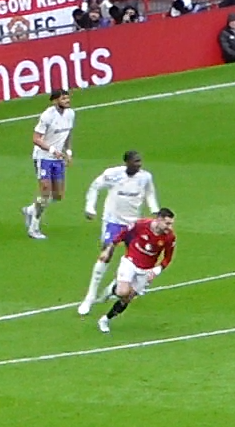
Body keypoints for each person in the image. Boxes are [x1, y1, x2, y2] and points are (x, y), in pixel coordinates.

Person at [79, 150, 160, 315]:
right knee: (105, 255)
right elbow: (95, 186)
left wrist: (155, 210)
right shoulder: (113, 174)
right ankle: (90, 296)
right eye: (135, 161)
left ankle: (114, 287)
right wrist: (90, 207)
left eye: (140, 161)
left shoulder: (145, 177)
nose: (139, 164)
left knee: (138, 259)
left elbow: (150, 193)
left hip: (134, 225)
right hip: (113, 222)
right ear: (127, 162)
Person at [98, 208, 176, 333]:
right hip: (130, 262)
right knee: (122, 292)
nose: (170, 227)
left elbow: (168, 258)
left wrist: (157, 270)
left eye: (171, 223)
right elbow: (123, 234)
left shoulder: (169, 237)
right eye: (167, 223)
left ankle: (105, 319)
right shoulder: (141, 225)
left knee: (126, 299)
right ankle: (113, 289)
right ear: (159, 220)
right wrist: (108, 249)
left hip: (146, 270)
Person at [24, 87, 75, 238]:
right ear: (55, 100)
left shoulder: (71, 114)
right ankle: (34, 228)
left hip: (58, 158)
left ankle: (31, 209)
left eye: (67, 98)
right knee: (45, 191)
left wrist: (69, 152)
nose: (67, 101)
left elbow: (68, 134)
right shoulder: (47, 116)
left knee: (58, 195)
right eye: (63, 99)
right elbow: (36, 138)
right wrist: (52, 150)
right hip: (43, 157)